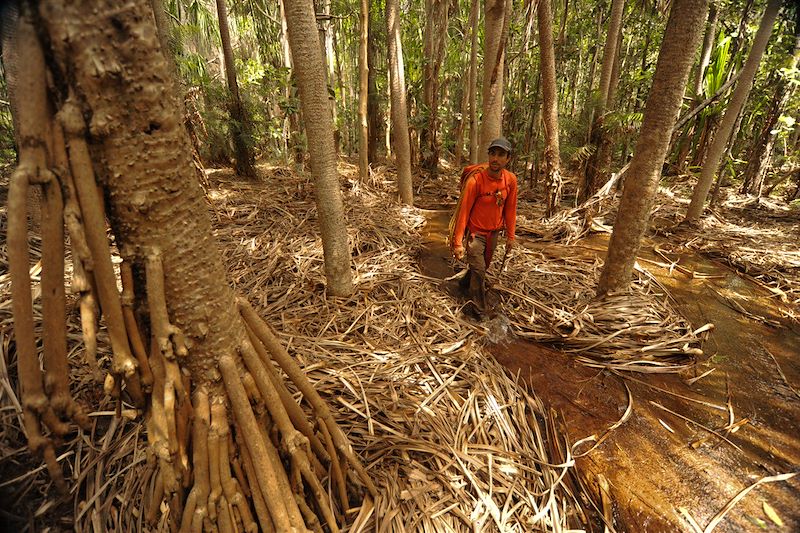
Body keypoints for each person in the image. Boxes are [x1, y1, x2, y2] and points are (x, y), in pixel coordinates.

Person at [451, 137, 518, 318]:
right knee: (480, 271)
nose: (495, 159)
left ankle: (464, 284)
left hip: (494, 234)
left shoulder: (510, 181)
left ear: (508, 159)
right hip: (476, 234)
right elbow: (463, 212)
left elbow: (510, 210)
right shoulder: (476, 181)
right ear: (488, 155)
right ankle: (480, 310)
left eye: (501, 155)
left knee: (482, 267)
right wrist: (458, 243)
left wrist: (511, 236)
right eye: (492, 154)